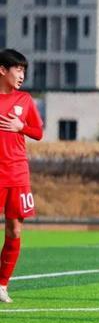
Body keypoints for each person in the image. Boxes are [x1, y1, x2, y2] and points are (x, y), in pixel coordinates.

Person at [0, 49, 43, 303]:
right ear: (2, 70)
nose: (22, 75)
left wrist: (21, 127)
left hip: (17, 174)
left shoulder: (25, 100)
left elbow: (38, 132)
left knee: (15, 230)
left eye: (24, 70)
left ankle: (2, 284)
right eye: (18, 69)